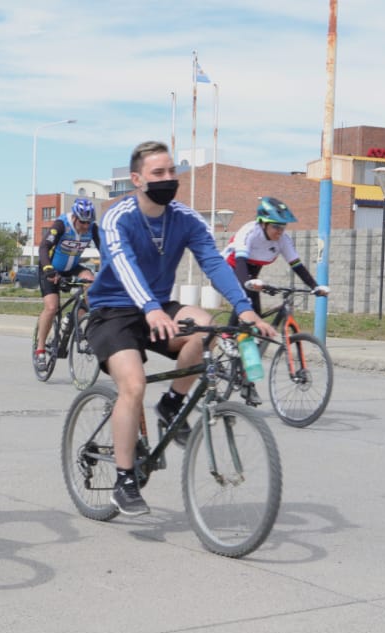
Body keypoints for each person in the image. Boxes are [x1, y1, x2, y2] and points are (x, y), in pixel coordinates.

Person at [85, 141, 275, 516]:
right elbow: (123, 264)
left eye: (172, 171)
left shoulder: (185, 218)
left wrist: (245, 310)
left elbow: (213, 262)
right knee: (133, 386)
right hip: (113, 310)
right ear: (136, 179)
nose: (168, 178)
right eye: (158, 173)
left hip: (158, 306)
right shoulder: (117, 216)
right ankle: (124, 481)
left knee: (205, 327)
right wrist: (150, 308)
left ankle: (172, 404)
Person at [222, 196, 329, 315]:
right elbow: (240, 261)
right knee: (245, 302)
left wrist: (315, 286)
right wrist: (246, 284)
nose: (280, 231)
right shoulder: (249, 232)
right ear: (263, 224)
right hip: (228, 268)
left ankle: (247, 324)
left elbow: (297, 266)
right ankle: (232, 328)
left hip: (251, 272)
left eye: (283, 227)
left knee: (255, 313)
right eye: (276, 226)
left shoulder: (283, 240)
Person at [33, 197, 99, 370]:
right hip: (51, 268)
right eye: (83, 222)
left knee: (91, 281)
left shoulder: (92, 228)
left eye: (89, 222)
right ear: (75, 217)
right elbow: (43, 247)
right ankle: (40, 350)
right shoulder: (62, 225)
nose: (86, 226)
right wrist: (48, 269)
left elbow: (105, 252)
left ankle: (76, 319)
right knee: (52, 307)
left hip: (72, 267)